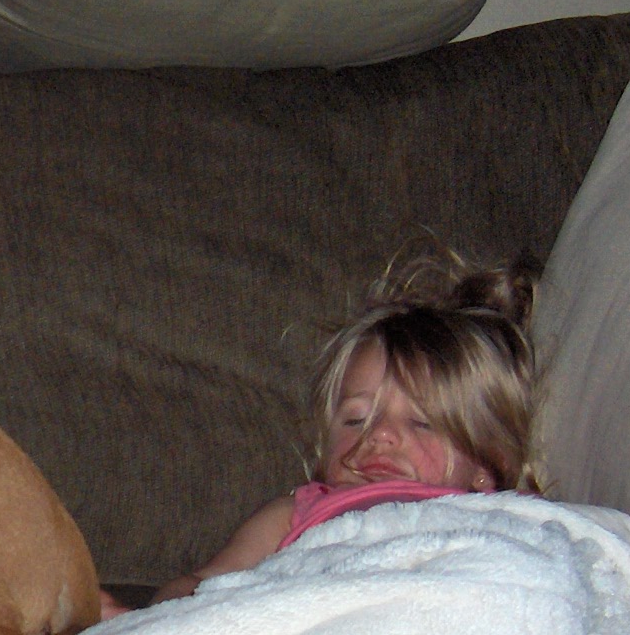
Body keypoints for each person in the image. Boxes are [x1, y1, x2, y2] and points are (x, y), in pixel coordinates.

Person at [148, 249, 540, 606]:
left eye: (422, 423)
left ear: (487, 467)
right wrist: (144, 622)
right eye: (356, 419)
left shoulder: (503, 518)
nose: (379, 434)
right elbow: (204, 584)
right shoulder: (295, 513)